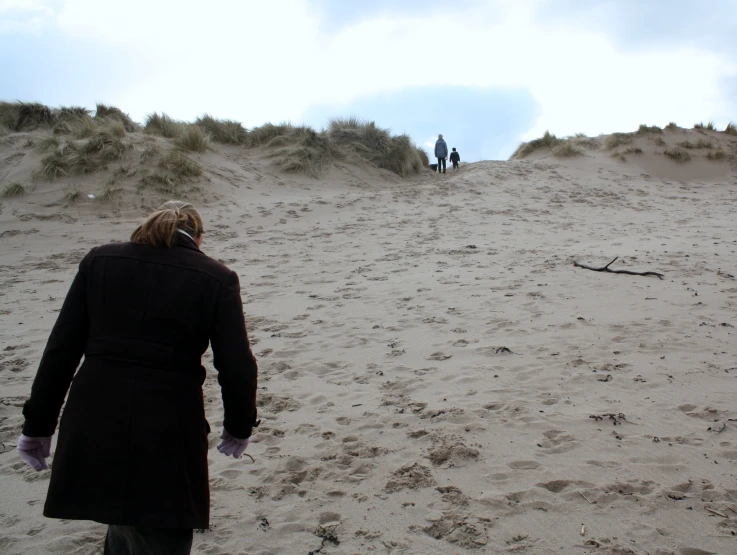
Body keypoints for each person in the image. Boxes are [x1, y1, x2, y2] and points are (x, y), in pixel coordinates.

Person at [17, 201, 259, 555]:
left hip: (94, 415)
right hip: (169, 422)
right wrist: (239, 427)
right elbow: (237, 364)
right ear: (199, 238)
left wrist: (37, 426)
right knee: (164, 530)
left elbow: (60, 351)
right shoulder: (216, 276)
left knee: (125, 522)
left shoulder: (99, 261)